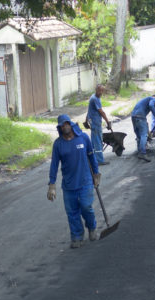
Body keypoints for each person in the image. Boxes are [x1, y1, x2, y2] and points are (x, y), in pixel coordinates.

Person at [47, 114, 100, 249]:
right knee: (72, 212)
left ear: (71, 124)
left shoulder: (83, 138)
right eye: (62, 125)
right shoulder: (58, 144)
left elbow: (91, 156)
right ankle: (76, 236)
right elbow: (54, 165)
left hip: (85, 181)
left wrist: (96, 173)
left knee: (86, 206)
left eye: (66, 124)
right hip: (69, 185)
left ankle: (92, 227)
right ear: (59, 128)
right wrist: (51, 185)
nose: (65, 126)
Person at [87, 84, 112, 165]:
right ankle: (99, 160)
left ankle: (93, 160)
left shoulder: (94, 97)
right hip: (95, 123)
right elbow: (101, 112)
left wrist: (86, 119)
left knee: (94, 142)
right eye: (99, 90)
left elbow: (89, 110)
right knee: (98, 141)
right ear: (96, 90)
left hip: (93, 121)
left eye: (102, 91)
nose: (100, 92)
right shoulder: (95, 99)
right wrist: (108, 122)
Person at [130, 95, 155, 162]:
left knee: (139, 135)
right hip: (140, 117)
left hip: (133, 117)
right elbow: (151, 105)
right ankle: (142, 153)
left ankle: (139, 151)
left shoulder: (143, 101)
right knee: (144, 135)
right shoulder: (153, 99)